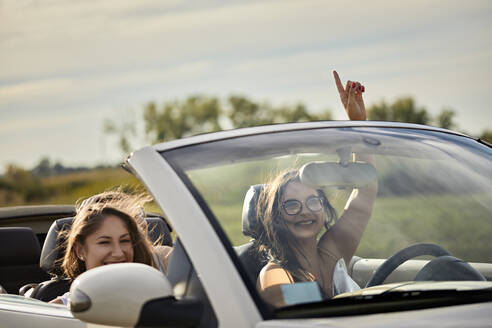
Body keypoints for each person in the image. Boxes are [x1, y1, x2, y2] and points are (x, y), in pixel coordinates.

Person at [255, 71, 378, 307]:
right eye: (291, 205)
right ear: (276, 216)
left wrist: (359, 126)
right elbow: (313, 314)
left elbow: (367, 187)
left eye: (313, 201)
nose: (305, 211)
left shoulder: (331, 251)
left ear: (323, 208)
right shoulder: (275, 274)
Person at [49, 190, 172, 305]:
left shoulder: (164, 260)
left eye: (125, 240)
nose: (118, 253)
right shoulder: (66, 305)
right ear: (80, 250)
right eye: (104, 242)